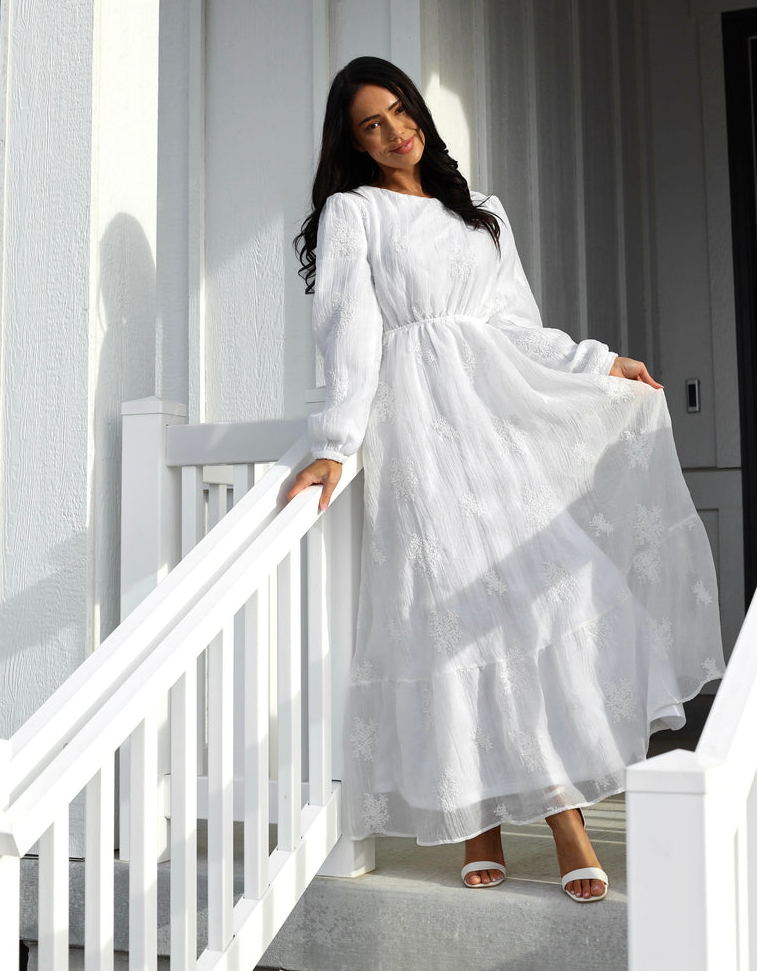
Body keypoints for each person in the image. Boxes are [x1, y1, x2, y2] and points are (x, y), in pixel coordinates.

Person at [287, 55, 724, 902]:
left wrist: (597, 362)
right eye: (371, 124)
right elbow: (348, 332)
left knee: (543, 601)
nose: (393, 131)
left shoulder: (481, 213)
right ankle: (484, 822)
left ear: (418, 111)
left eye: (399, 111)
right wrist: (337, 442)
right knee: (451, 620)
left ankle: (559, 816)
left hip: (497, 423)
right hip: (419, 432)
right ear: (354, 143)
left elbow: (518, 325)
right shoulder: (356, 212)